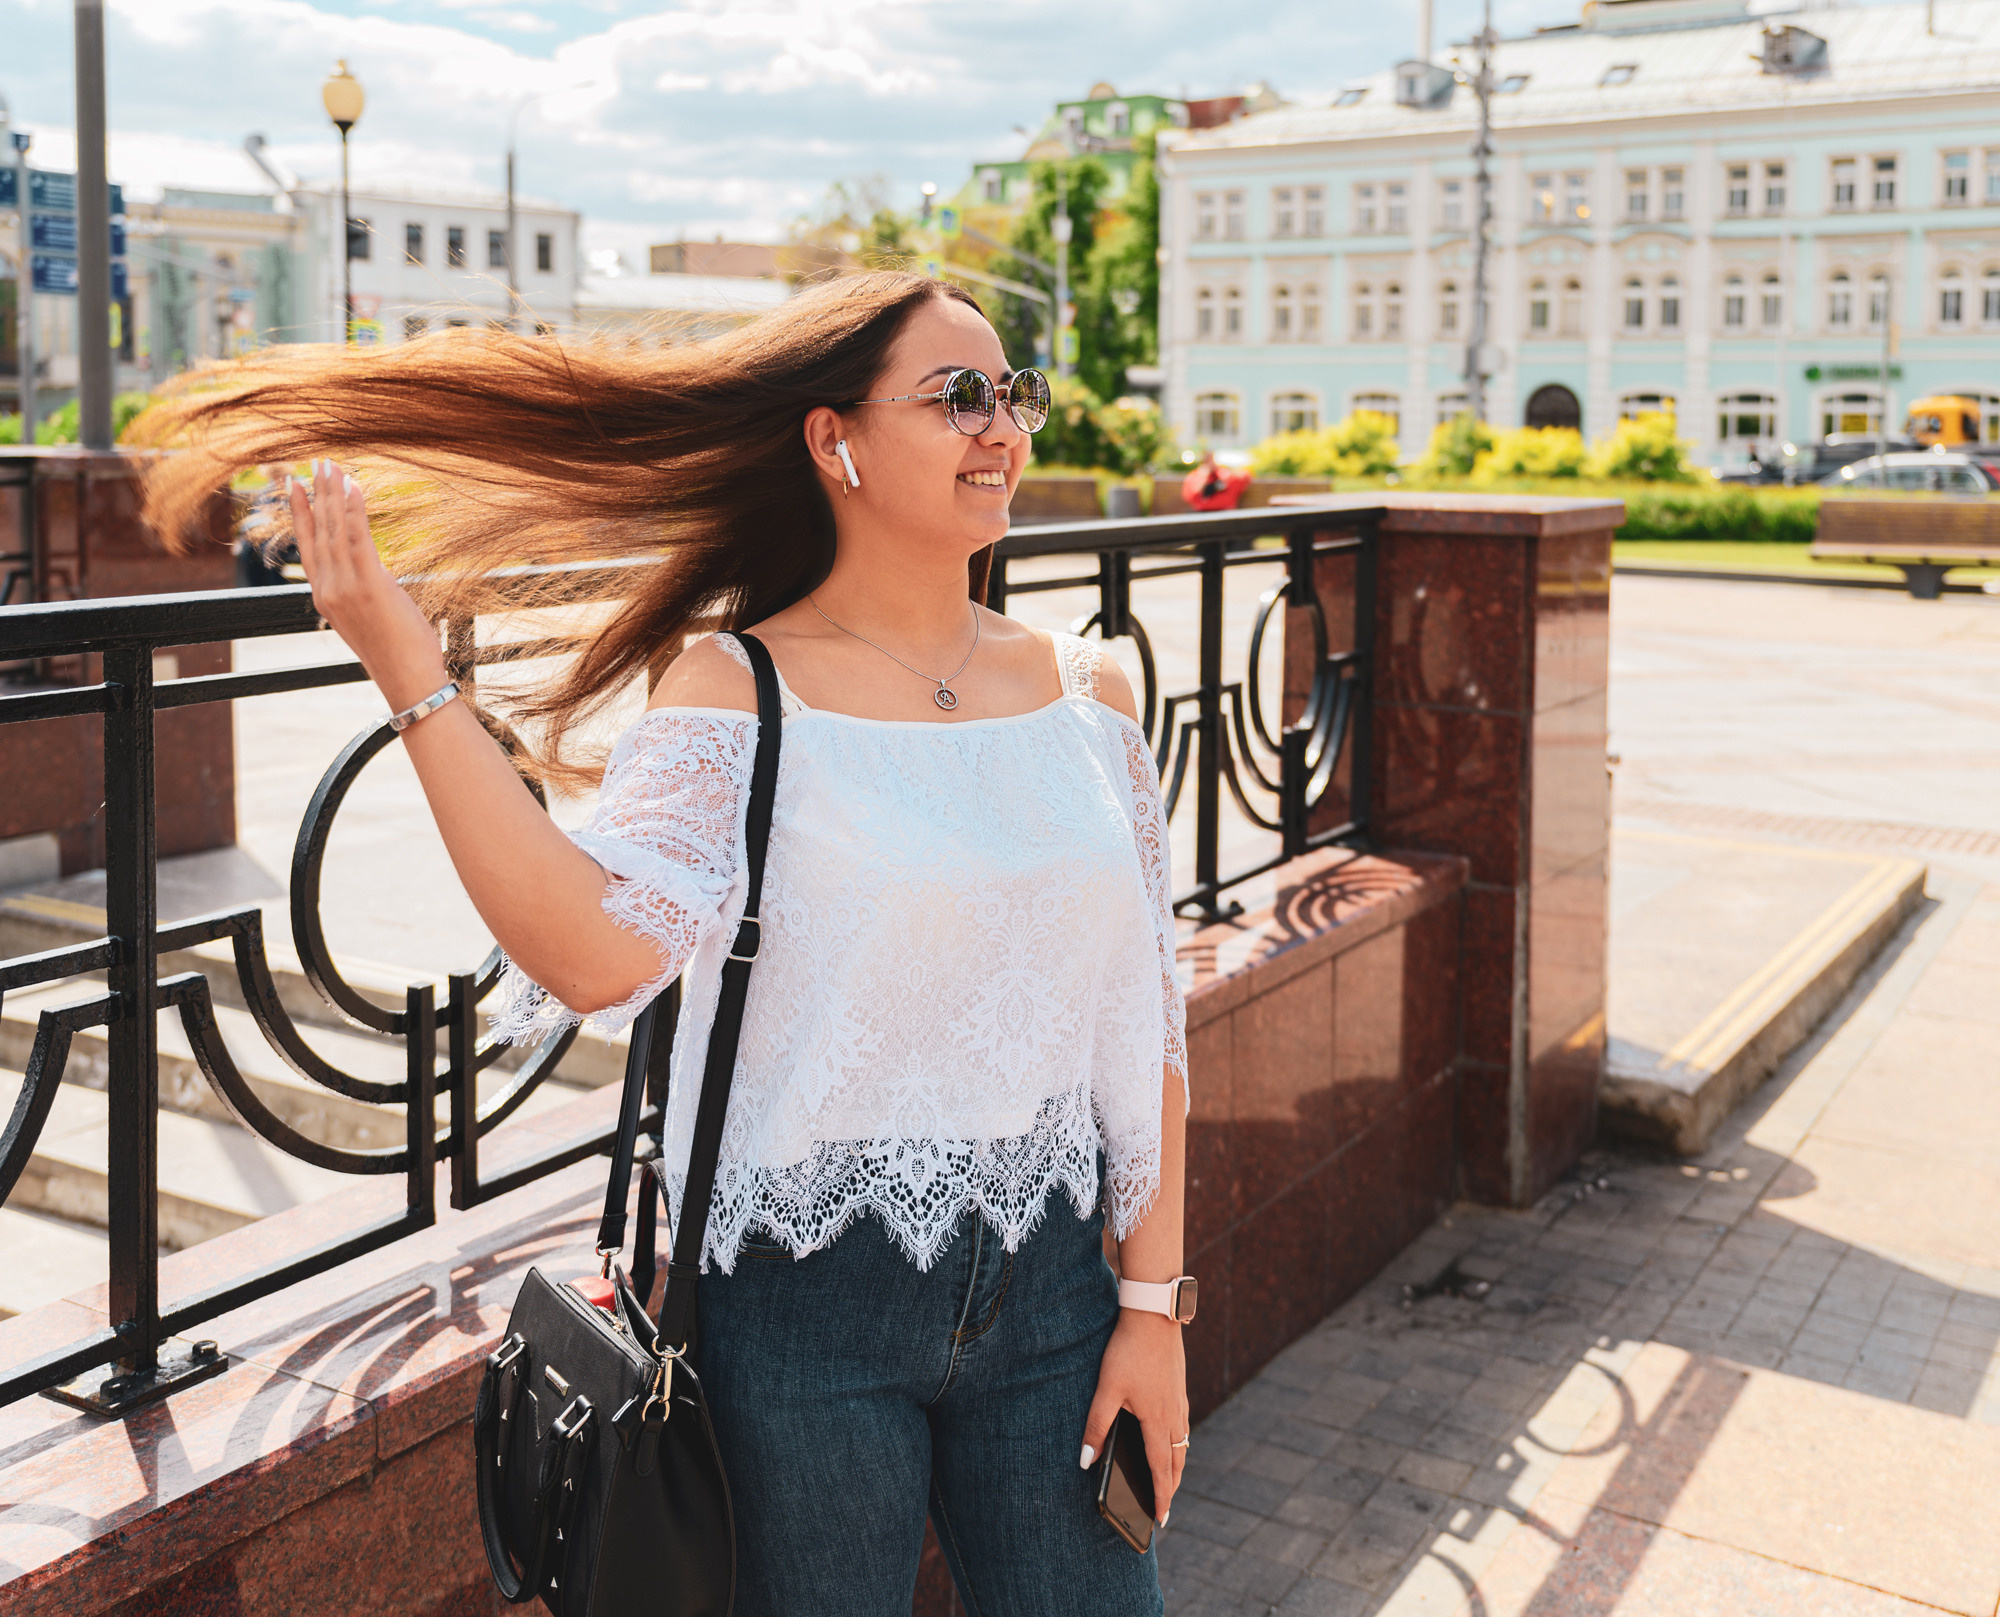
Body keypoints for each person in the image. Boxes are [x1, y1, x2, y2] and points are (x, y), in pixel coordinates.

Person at [137, 272, 1190, 1617]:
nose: (1005, 427)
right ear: (834, 441)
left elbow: (1146, 1024)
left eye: (1014, 394)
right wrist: (406, 665)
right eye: (960, 396)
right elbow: (595, 957)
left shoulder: (1089, 689)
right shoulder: (738, 687)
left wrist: (1153, 1305)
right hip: (801, 1316)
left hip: (1055, 1292)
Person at [1180, 449, 1249, 512]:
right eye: (1207, 460)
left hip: (1224, 513)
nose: (1210, 463)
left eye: (1211, 459)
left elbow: (1245, 477)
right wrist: (1204, 476)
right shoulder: (1196, 476)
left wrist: (1222, 475)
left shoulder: (1225, 475)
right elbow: (1191, 496)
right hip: (1203, 512)